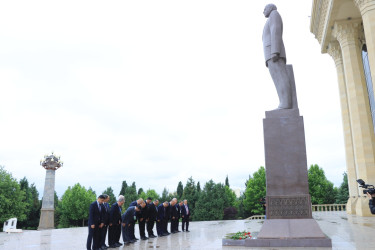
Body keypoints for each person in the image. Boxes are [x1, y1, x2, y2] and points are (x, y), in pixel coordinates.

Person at [262, 3, 292, 110]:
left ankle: (286, 103)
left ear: (271, 8)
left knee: (281, 77)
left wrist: (275, 51)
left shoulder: (274, 14)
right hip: (270, 54)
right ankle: (283, 102)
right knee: (277, 79)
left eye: (265, 8)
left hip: (274, 53)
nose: (263, 11)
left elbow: (276, 31)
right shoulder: (270, 18)